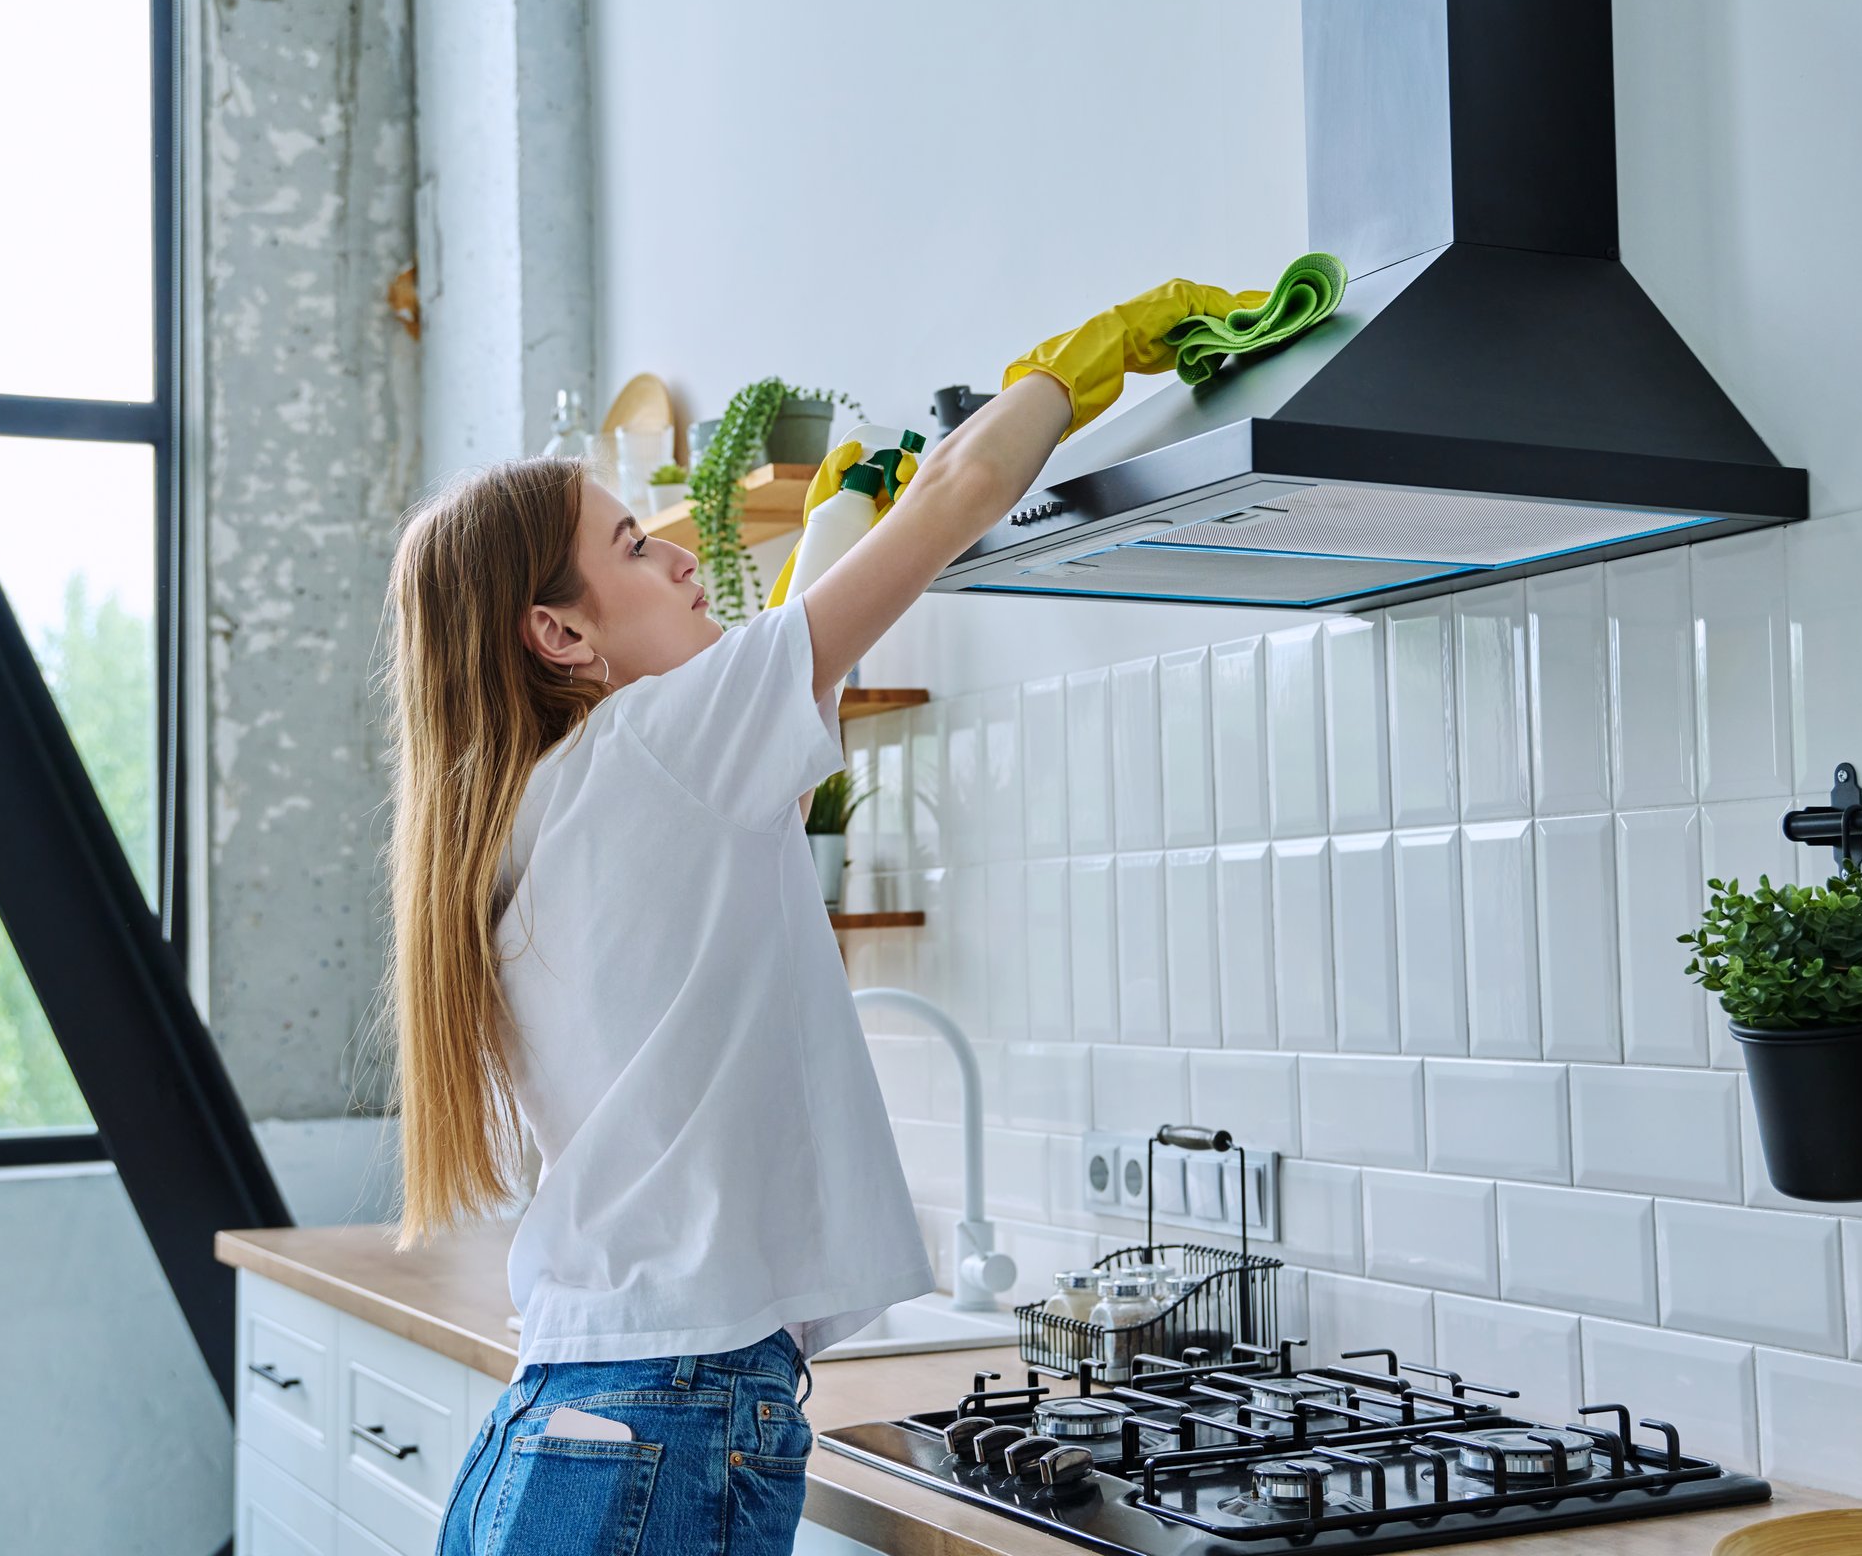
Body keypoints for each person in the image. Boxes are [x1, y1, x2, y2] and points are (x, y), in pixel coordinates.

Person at [384, 276, 1256, 1556]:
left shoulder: (533, 805)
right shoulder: (663, 749)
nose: (679, 553)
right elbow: (958, 501)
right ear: (556, 631)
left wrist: (848, 500)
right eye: (633, 545)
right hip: (664, 1431)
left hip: (571, 1427)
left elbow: (805, 641)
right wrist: (1083, 366)